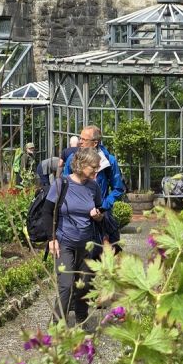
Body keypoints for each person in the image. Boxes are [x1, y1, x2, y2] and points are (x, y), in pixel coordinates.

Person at [47, 147, 108, 326]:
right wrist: (52, 239)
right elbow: (47, 213)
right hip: (64, 241)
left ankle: (81, 318)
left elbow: (99, 212)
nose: (96, 171)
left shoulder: (93, 186)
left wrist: (98, 216)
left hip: (86, 243)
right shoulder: (61, 184)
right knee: (65, 284)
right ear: (81, 165)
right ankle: (57, 325)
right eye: (93, 167)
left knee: (84, 283)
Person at [59, 125, 125, 212]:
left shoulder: (109, 161)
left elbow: (118, 189)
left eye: (84, 139)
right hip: (76, 213)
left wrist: (103, 207)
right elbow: (65, 184)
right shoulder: (73, 158)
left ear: (95, 143)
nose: (80, 142)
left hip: (99, 213)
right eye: (80, 138)